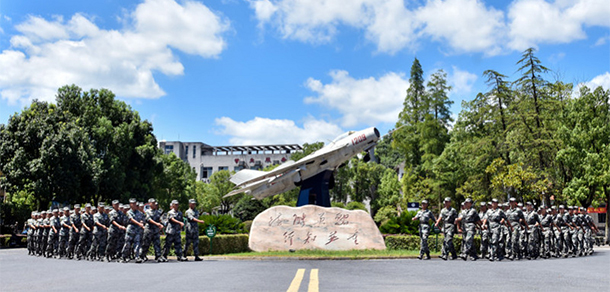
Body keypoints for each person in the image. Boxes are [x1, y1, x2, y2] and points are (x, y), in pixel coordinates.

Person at [122, 198, 145, 263]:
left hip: (137, 230)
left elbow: (142, 219)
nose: (134, 205)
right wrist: (139, 224)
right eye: (133, 204)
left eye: (135, 203)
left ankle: (137, 257)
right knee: (127, 244)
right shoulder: (128, 212)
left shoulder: (139, 213)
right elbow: (131, 219)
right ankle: (123, 256)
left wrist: (142, 222)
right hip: (130, 229)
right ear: (130, 205)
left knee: (137, 243)